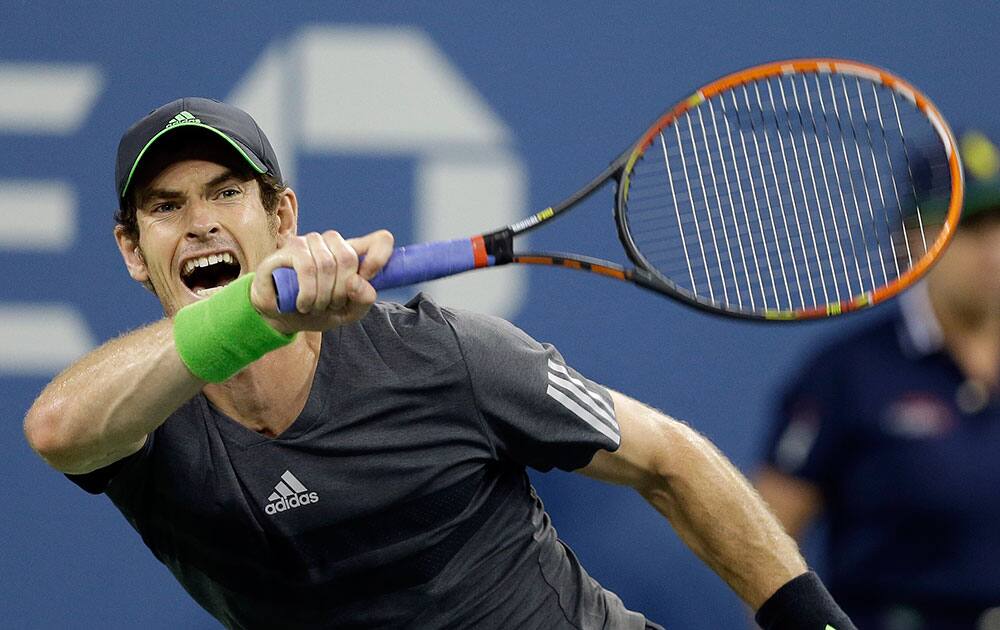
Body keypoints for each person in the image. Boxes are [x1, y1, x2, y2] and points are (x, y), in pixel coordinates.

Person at [24, 97, 854, 630]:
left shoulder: (441, 352)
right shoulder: (136, 418)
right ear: (133, 251)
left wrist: (813, 623)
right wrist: (256, 309)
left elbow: (669, 460)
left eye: (226, 193)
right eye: (166, 208)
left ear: (282, 216)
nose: (200, 223)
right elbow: (58, 429)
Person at [755, 130, 1000, 629]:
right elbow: (761, 538)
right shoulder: (847, 373)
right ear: (914, 237)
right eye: (971, 227)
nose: (994, 252)